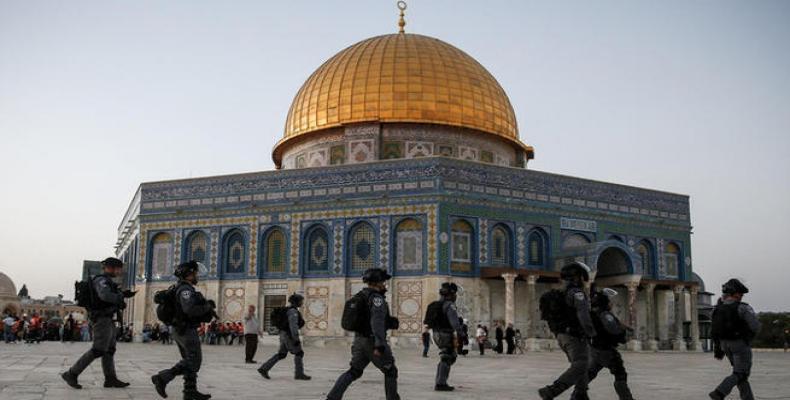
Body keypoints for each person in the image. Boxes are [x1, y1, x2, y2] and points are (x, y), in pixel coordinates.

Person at [326, 268, 400, 400]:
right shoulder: (376, 299)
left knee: (354, 371)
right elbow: (376, 322)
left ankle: (332, 397)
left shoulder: (360, 295)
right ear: (377, 282)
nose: (384, 284)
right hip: (372, 341)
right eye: (383, 282)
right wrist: (379, 344)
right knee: (390, 370)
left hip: (359, 341)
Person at [61, 257, 135, 389]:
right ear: (110, 267)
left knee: (109, 350)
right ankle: (72, 373)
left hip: (108, 318)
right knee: (98, 349)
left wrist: (122, 295)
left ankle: (110, 379)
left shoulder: (108, 281)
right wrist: (120, 297)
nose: (119, 272)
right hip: (101, 319)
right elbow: (105, 296)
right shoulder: (101, 280)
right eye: (118, 269)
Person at [151, 260, 217, 400]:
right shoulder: (185, 289)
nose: (197, 276)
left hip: (181, 329)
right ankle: (163, 378)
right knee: (193, 360)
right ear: (189, 274)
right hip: (185, 329)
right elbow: (189, 309)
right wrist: (207, 308)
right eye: (195, 273)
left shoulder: (180, 287)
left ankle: (190, 391)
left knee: (189, 360)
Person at [538, 261, 596, 400]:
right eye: (581, 277)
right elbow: (584, 315)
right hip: (574, 336)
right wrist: (592, 333)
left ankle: (581, 394)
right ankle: (552, 390)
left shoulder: (560, 293)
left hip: (561, 335)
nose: (583, 280)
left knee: (579, 364)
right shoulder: (576, 293)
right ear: (576, 277)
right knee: (581, 363)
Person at [571, 288, 634, 400]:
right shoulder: (605, 315)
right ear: (605, 302)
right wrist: (624, 335)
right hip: (606, 350)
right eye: (610, 301)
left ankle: (577, 396)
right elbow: (614, 331)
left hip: (595, 349)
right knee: (620, 373)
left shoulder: (594, 314)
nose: (611, 304)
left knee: (590, 373)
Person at [709, 279, 761, 400]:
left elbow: (714, 331)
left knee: (740, 373)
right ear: (734, 293)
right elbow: (756, 326)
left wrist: (718, 349)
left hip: (725, 345)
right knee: (741, 373)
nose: (742, 296)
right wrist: (747, 337)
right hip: (739, 344)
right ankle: (719, 392)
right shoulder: (742, 308)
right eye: (740, 293)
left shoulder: (716, 309)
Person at [257, 293, 311, 380]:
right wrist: (296, 338)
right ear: (296, 302)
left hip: (283, 334)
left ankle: (264, 368)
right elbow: (293, 326)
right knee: (299, 353)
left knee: (281, 354)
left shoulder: (287, 310)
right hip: (289, 336)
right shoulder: (293, 312)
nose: (302, 303)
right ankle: (299, 374)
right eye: (301, 301)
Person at [425, 282, 466, 391]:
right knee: (448, 357)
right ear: (451, 294)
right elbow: (455, 323)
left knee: (445, 357)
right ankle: (441, 383)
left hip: (436, 334)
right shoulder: (449, 305)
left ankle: (440, 381)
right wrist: (461, 333)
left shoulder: (437, 304)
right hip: (445, 334)